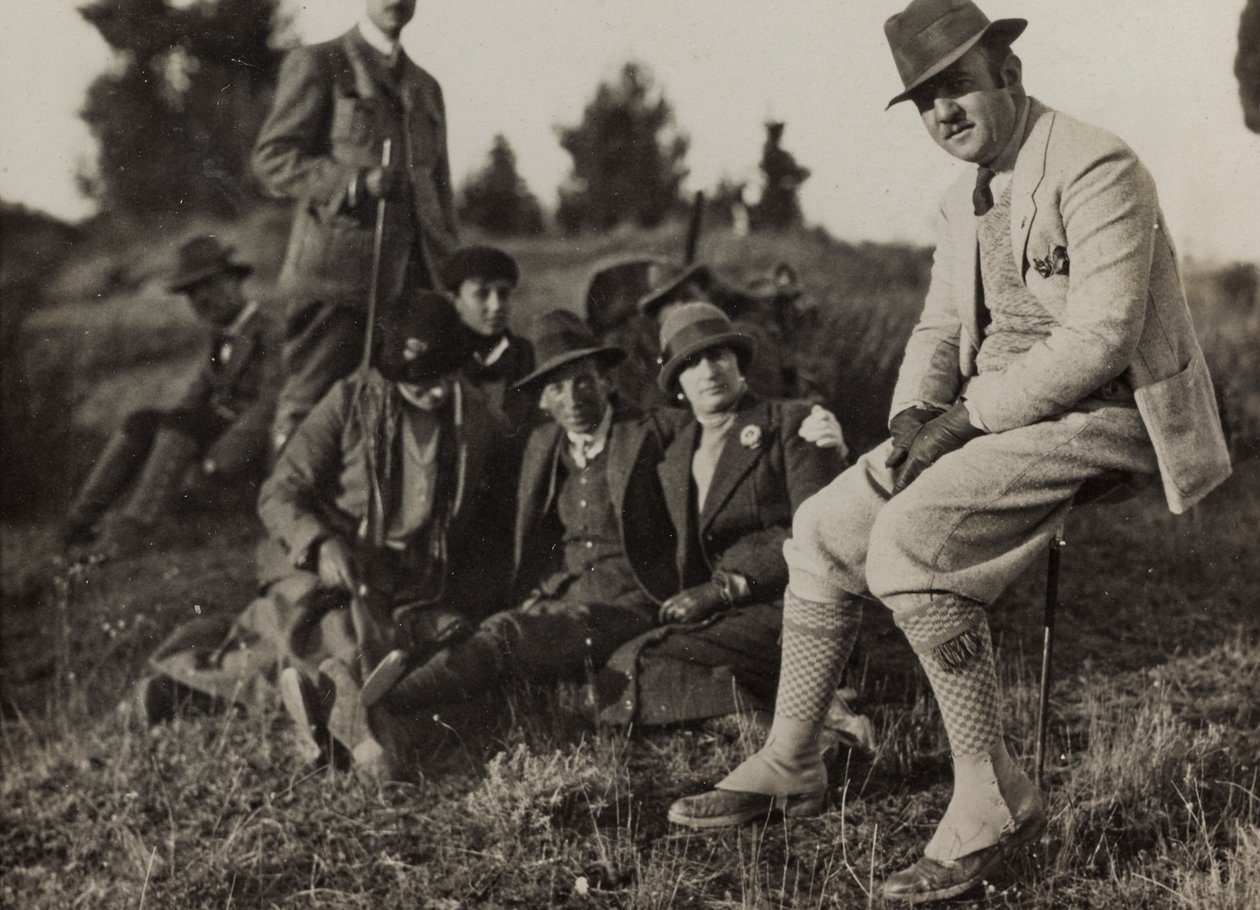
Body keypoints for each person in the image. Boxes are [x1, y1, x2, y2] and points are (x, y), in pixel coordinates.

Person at [668, 1, 1232, 905]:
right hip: (990, 412)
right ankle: (793, 759)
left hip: (1104, 413)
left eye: (957, 87)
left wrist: (963, 423)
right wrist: (909, 418)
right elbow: (938, 327)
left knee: (912, 547)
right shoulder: (958, 196)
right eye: (925, 102)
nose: (944, 114)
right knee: (820, 529)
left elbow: (1099, 340)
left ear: (1007, 74)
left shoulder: (1097, 164)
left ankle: (992, 798)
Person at [139, 292, 512, 782]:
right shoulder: (349, 402)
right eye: (420, 384)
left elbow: (488, 523)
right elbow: (280, 492)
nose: (436, 394)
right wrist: (319, 543)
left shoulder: (478, 421)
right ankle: (346, 725)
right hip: (325, 562)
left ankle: (226, 696)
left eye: (444, 378)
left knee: (405, 647)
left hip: (410, 577)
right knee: (330, 629)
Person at [353, 310, 684, 737]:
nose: (573, 399)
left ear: (607, 381)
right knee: (488, 669)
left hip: (625, 608)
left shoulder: (653, 433)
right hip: (549, 601)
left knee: (505, 635)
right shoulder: (542, 445)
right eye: (557, 388)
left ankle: (380, 702)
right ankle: (374, 718)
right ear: (542, 401)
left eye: (584, 381)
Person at [597, 303, 861, 738]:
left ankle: (787, 744)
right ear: (677, 383)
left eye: (718, 355)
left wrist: (725, 588)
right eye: (691, 363)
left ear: (739, 363)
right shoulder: (676, 445)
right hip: (724, 620)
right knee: (623, 668)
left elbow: (818, 531)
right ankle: (794, 732)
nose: (708, 371)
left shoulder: (791, 422)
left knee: (647, 662)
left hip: (792, 605)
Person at [253, 0, 459, 453]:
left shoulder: (427, 88)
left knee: (397, 406)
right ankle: (287, 516)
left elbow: (440, 191)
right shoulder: (319, 63)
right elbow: (273, 159)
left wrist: (452, 271)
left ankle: (366, 515)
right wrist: (354, 182)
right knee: (311, 405)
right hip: (336, 278)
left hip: (415, 279)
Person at [63, 236, 277, 557]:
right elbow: (196, 394)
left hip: (250, 440)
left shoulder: (271, 330)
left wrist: (220, 460)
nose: (201, 298)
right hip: (214, 428)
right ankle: (80, 522)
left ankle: (130, 533)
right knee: (141, 421)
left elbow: (271, 403)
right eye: (191, 292)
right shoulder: (220, 336)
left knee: (180, 422)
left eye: (209, 284)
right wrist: (162, 429)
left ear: (235, 280)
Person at [440, 245, 537, 440]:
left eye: (503, 294)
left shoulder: (525, 355)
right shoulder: (440, 358)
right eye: (482, 294)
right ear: (454, 301)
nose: (496, 305)